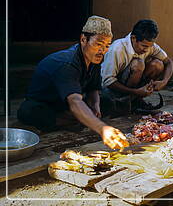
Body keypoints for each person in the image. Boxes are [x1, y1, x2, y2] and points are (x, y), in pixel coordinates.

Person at [17, 16, 128, 150]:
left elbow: (94, 88)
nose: (102, 50)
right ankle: (75, 118)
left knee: (106, 100)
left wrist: (95, 105)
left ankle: (77, 118)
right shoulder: (67, 63)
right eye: (98, 44)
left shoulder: (95, 59)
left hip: (68, 104)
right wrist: (102, 128)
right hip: (47, 104)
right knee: (31, 112)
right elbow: (75, 101)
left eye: (107, 46)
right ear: (83, 39)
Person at [101, 19, 173, 115]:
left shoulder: (149, 46)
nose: (146, 49)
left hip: (133, 90)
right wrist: (135, 91)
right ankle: (126, 102)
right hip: (110, 91)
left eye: (149, 46)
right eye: (143, 46)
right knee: (138, 64)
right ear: (133, 38)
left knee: (158, 64)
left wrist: (164, 81)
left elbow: (169, 62)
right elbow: (107, 81)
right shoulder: (117, 49)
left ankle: (135, 101)